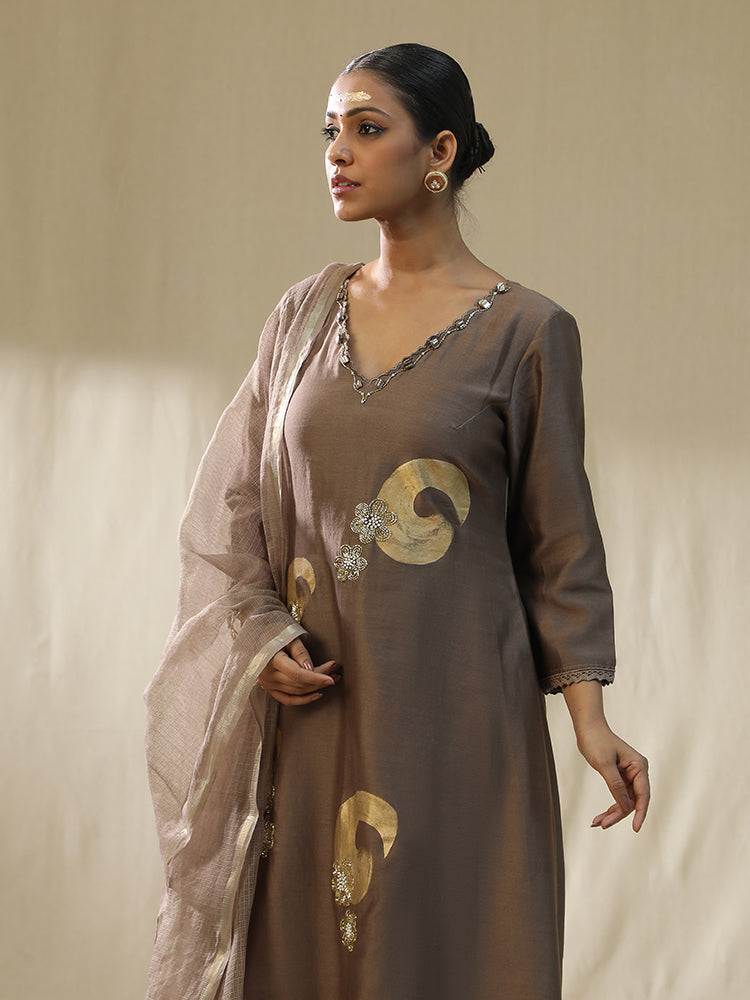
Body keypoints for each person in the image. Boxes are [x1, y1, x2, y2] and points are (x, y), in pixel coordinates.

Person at [144, 42, 650, 1000]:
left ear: (440, 151)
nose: (337, 152)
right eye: (330, 131)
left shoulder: (528, 332)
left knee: (448, 958)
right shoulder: (303, 315)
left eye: (367, 129)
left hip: (456, 721)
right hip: (314, 718)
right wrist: (260, 638)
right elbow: (236, 508)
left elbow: (561, 542)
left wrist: (591, 720)